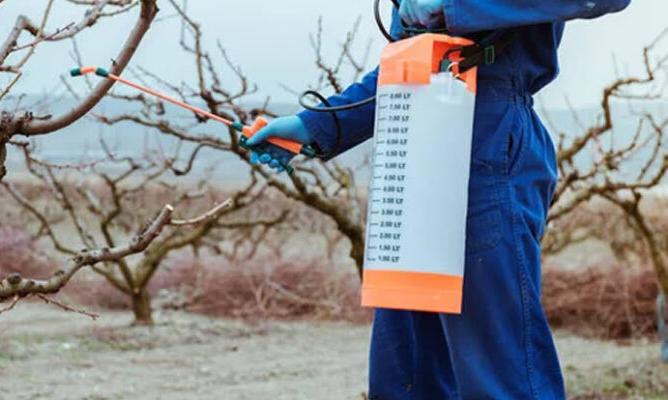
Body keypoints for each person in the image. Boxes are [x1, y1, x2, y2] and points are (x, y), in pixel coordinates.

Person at [246, 1, 632, 398]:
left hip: (487, 144)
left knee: (496, 374)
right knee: (405, 373)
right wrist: (319, 123)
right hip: (411, 142)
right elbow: (418, 63)